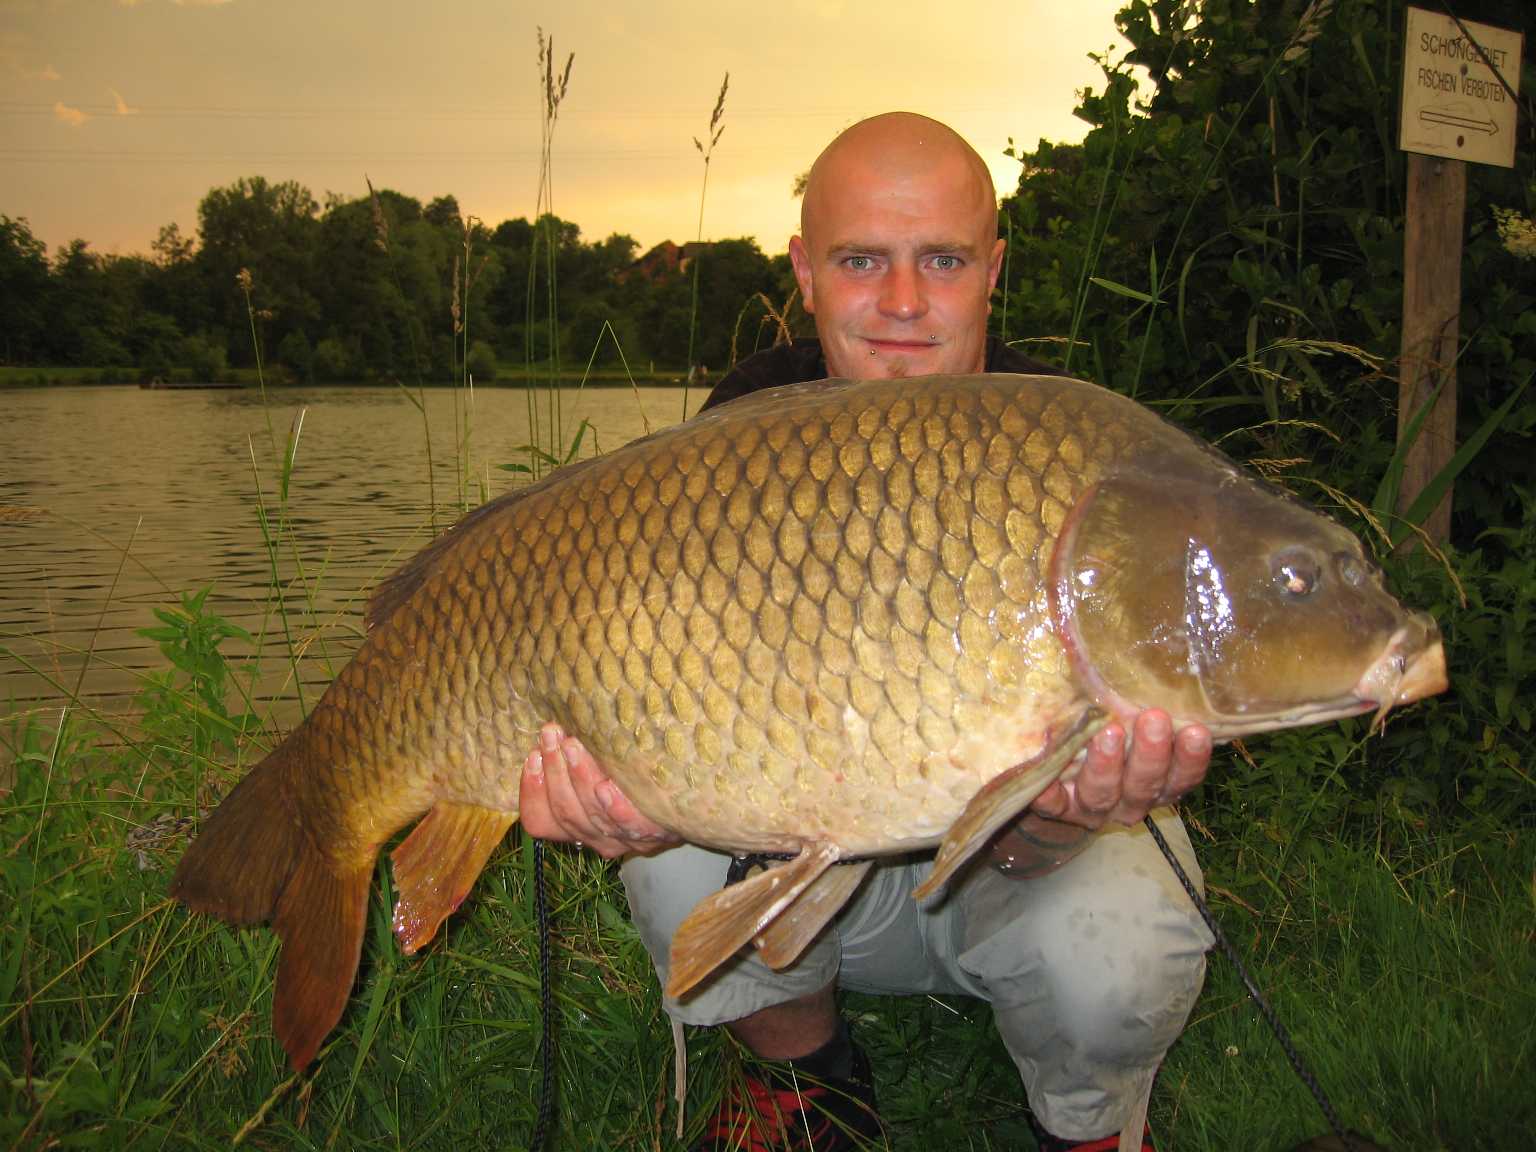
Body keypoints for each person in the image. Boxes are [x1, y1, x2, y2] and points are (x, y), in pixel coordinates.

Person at [519, 112, 1215, 1152]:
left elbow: (1044, 824)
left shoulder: (1068, 452)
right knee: (665, 860)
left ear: (993, 270)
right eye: (861, 261)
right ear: (803, 271)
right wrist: (636, 792)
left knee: (1125, 953)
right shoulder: (739, 438)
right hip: (833, 880)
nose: (901, 302)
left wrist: (1068, 814)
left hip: (1018, 878)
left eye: (941, 259)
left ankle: (1089, 1126)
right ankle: (808, 1084)